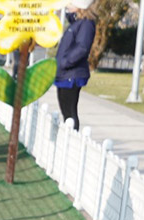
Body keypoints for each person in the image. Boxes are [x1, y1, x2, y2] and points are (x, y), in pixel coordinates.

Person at [55, 1, 96, 129]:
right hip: (64, 73)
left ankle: (72, 138)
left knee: (70, 111)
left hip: (72, 74)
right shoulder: (76, 23)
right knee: (65, 110)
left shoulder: (86, 24)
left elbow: (82, 48)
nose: (68, 5)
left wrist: (65, 62)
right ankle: (68, 136)